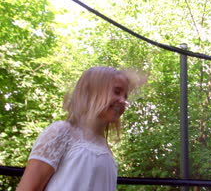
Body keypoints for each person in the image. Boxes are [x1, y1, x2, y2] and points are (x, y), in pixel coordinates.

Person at [17, 66, 146, 191]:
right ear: (91, 91)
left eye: (125, 96)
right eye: (116, 92)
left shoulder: (104, 146)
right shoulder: (61, 132)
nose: (123, 101)